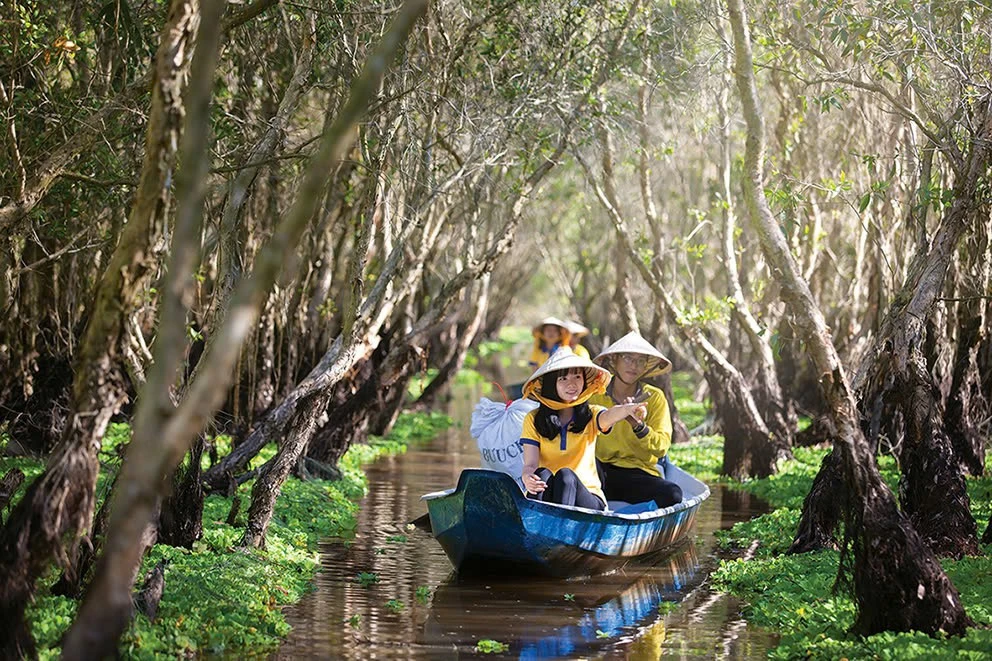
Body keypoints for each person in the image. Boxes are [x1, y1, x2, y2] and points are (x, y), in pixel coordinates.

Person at [519, 347, 648, 511]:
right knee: (542, 473)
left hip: (589, 500)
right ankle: (534, 524)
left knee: (566, 476)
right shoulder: (533, 418)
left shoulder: (592, 414)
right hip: (551, 497)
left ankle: (561, 528)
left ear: (584, 381)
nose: (572, 384)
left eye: (577, 377)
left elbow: (609, 416)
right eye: (563, 379)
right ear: (552, 384)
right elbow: (530, 464)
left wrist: (626, 409)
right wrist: (527, 477)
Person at [590, 331, 683, 508]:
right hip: (599, 471)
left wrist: (639, 427)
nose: (634, 365)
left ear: (646, 367)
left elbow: (662, 447)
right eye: (627, 358)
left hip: (637, 473)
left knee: (673, 494)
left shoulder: (655, 398)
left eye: (641, 361)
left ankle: (628, 519)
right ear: (614, 361)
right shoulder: (595, 394)